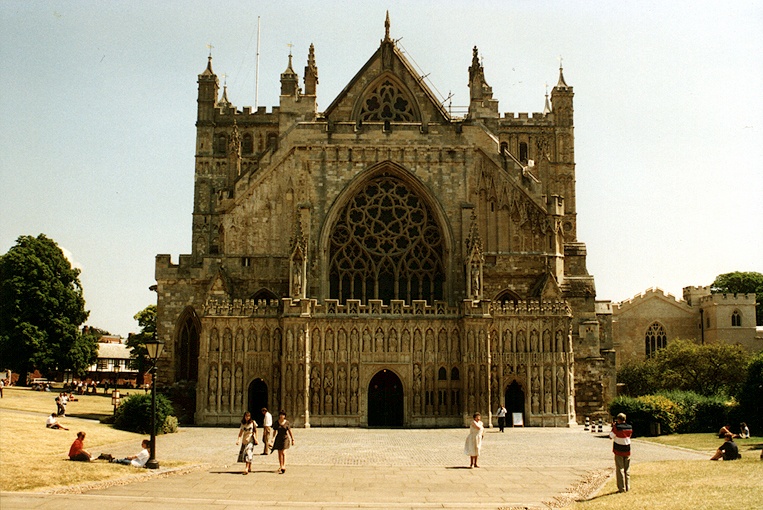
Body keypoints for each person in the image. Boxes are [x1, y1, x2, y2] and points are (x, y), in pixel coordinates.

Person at [610, 413, 632, 493]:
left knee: (620, 469)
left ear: (618, 420)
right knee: (627, 469)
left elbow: (611, 436)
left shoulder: (617, 427)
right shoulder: (629, 427)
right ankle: (627, 486)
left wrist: (613, 427)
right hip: (627, 449)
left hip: (619, 449)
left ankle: (621, 488)